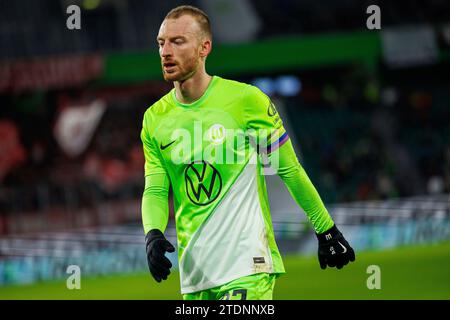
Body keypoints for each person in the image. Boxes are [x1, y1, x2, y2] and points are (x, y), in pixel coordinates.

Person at [140, 5, 355, 300]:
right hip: (196, 274)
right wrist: (152, 233)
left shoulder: (246, 101)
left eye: (178, 42)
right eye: (161, 42)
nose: (165, 51)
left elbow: (289, 169)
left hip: (247, 264)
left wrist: (326, 228)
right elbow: (155, 188)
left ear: (204, 48)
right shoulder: (155, 119)